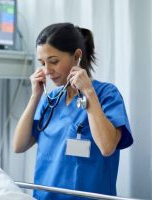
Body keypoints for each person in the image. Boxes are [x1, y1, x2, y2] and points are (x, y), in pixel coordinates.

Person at [12, 22, 133, 200]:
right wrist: (34, 97)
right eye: (42, 63)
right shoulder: (50, 99)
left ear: (76, 56)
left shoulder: (107, 94)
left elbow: (107, 147)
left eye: (53, 61)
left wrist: (89, 92)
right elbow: (19, 146)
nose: (47, 71)